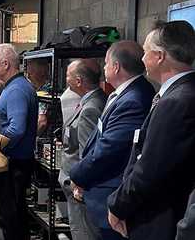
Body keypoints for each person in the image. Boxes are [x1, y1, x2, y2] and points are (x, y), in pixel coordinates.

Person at [107, 21, 195, 240]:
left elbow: (149, 168)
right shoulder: (180, 94)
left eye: (145, 52)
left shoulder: (176, 101)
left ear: (159, 56)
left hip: (158, 217)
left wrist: (117, 206)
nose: (142, 59)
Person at [69, 40, 154, 240]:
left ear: (116, 67)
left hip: (112, 194)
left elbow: (110, 149)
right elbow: (99, 137)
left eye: (106, 63)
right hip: (100, 189)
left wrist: (78, 175)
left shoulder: (134, 99)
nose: (104, 68)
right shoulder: (120, 95)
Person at [0, 43, 37, 240]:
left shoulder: (17, 90)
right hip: (14, 161)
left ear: (5, 63)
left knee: (11, 217)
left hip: (14, 163)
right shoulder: (14, 87)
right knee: (13, 214)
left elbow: (16, 129)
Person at [59, 60, 106, 240]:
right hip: (77, 184)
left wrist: (78, 184)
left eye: (68, 76)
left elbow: (88, 152)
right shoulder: (90, 101)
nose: (66, 79)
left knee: (83, 233)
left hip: (79, 187)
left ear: (78, 81)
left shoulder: (91, 108)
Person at [26, 60, 51, 135]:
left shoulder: (45, 91)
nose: (28, 76)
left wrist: (31, 138)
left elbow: (42, 122)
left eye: (30, 73)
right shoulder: (39, 89)